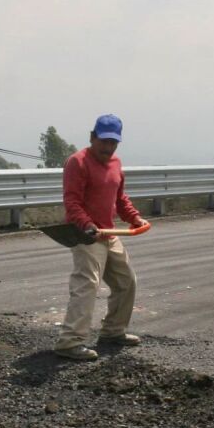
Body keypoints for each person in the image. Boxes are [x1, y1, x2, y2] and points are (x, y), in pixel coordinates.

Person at [54, 114, 148, 361]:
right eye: (104, 141)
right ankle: (69, 342)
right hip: (86, 235)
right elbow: (71, 201)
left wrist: (135, 218)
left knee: (126, 281)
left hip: (109, 233)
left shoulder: (116, 163)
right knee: (87, 285)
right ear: (92, 137)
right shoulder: (78, 162)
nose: (108, 148)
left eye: (113, 143)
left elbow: (120, 199)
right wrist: (87, 224)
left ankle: (113, 331)